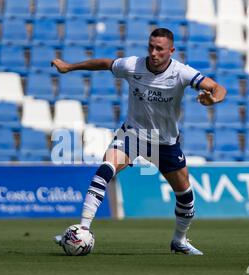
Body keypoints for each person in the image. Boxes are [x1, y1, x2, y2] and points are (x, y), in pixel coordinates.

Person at [51, 28, 226, 255]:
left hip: (164, 143)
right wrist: (69, 67)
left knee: (186, 196)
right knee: (105, 169)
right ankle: (81, 230)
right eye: (151, 47)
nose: (153, 53)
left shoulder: (181, 73)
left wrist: (212, 99)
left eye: (159, 49)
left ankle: (179, 241)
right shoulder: (133, 65)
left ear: (171, 51)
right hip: (132, 135)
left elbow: (218, 88)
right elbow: (105, 63)